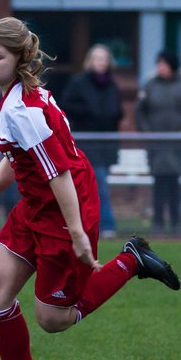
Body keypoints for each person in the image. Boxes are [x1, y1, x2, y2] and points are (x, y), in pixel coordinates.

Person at [0, 17, 181, 360]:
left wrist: (78, 232)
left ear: (19, 59)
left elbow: (59, 173)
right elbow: (18, 157)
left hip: (65, 209)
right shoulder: (16, 98)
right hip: (36, 206)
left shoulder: (23, 109)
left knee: (52, 319)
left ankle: (131, 261)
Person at [135, 51, 181, 233]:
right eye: (159, 64)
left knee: (174, 183)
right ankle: (157, 223)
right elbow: (139, 112)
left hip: (177, 145)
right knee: (158, 184)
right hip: (156, 146)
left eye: (163, 63)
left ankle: (176, 223)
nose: (160, 67)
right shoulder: (150, 86)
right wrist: (147, 132)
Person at [60, 44, 123, 236]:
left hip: (106, 144)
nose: (101, 62)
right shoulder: (79, 83)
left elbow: (115, 111)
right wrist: (88, 113)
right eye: (97, 58)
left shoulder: (111, 84)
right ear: (90, 61)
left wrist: (112, 116)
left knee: (97, 184)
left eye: (104, 58)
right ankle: (106, 224)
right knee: (97, 184)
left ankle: (92, 224)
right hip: (87, 143)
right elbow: (66, 106)